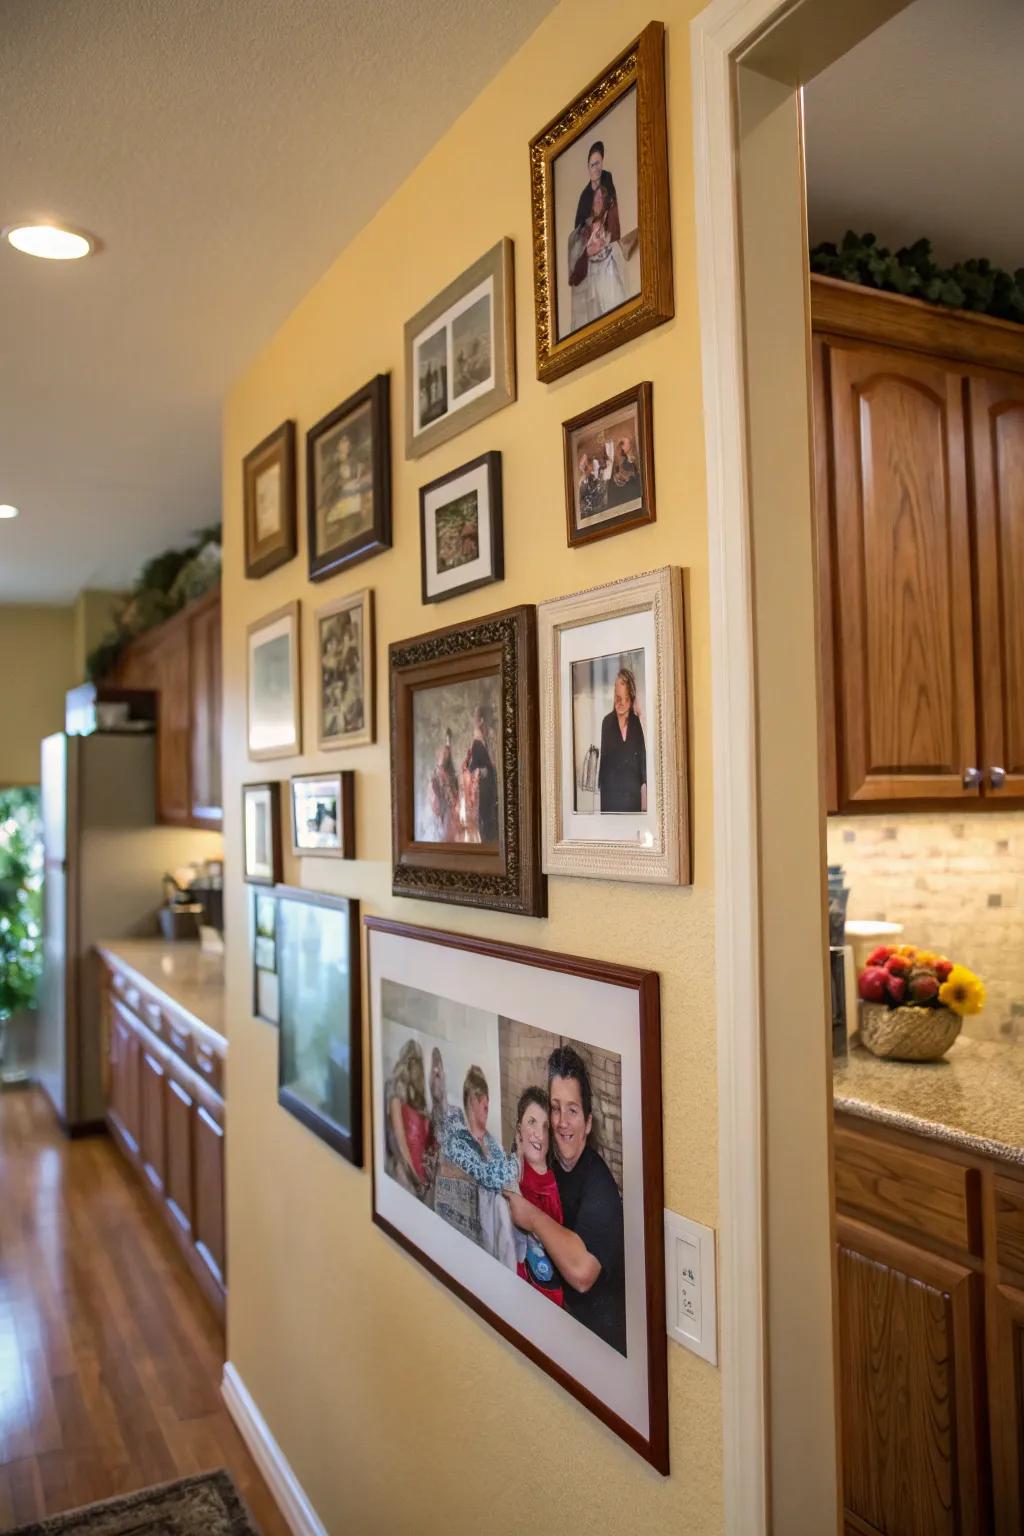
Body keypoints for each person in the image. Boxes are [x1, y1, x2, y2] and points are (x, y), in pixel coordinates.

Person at [504, 1047, 625, 1354]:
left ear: (587, 1122)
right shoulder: (543, 1162)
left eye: (571, 1110)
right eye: (555, 1108)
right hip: (544, 1326)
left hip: (594, 1345)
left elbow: (582, 1272)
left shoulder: (600, 1187)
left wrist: (531, 1217)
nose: (561, 1122)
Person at [441, 1066, 518, 1268]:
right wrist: (519, 1160)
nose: (487, 1105)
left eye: (487, 1100)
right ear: (472, 1101)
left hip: (498, 1235)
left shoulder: (493, 1143)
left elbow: (506, 1181)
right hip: (469, 1243)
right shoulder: (460, 1141)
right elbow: (487, 1175)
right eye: (483, 1101)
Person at [512, 1087, 564, 1307]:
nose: (538, 1133)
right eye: (532, 1122)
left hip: (544, 1294)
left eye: (545, 1127)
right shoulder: (510, 1171)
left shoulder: (551, 1186)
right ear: (519, 1131)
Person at [384, 1039, 433, 1199]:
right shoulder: (396, 1095)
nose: (418, 1070)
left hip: (419, 1179)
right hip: (404, 1174)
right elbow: (400, 1141)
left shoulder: (419, 1100)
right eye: (414, 1062)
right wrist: (414, 1177)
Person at [598, 667, 647, 814]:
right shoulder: (607, 722)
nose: (621, 703)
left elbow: (643, 756)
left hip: (632, 796)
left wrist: (644, 783)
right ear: (614, 695)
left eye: (626, 699)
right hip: (611, 796)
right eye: (618, 698)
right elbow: (605, 760)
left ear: (631, 699)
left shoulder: (636, 722)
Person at [462, 704, 498, 844]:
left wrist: (489, 769)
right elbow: (470, 768)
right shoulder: (476, 743)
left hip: (488, 788)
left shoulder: (483, 741)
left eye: (476, 718)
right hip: (482, 790)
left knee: (489, 819)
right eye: (475, 718)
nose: (474, 721)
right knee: (485, 821)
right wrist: (482, 771)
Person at [573, 140, 618, 232]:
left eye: (599, 163)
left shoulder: (607, 178)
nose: (596, 168)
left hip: (609, 237)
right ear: (588, 167)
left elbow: (613, 214)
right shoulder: (585, 196)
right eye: (593, 165)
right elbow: (578, 230)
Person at [427, 729, 461, 840]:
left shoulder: (447, 772)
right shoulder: (437, 776)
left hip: (448, 811)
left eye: (446, 753)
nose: (445, 755)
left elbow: (453, 795)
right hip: (444, 811)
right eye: (443, 754)